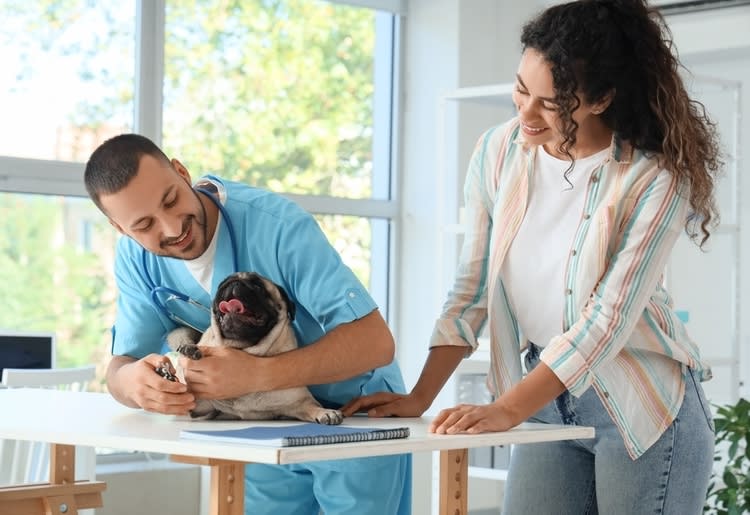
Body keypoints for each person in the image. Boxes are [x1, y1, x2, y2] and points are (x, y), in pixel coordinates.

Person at [343, 1, 720, 513]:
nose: (525, 113)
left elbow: (606, 321)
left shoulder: (654, 179)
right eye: (522, 89)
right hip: (544, 400)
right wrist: (420, 396)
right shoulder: (499, 151)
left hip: (641, 407)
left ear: (600, 98)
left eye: (551, 102)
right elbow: (472, 287)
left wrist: (505, 409)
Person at [83, 134, 411, 515]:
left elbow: (375, 342)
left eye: (172, 200)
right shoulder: (136, 260)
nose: (172, 228)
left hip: (350, 413)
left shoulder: (277, 227)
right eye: (143, 225)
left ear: (181, 172)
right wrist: (133, 385)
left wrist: (256, 375)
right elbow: (121, 366)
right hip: (256, 426)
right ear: (120, 229)